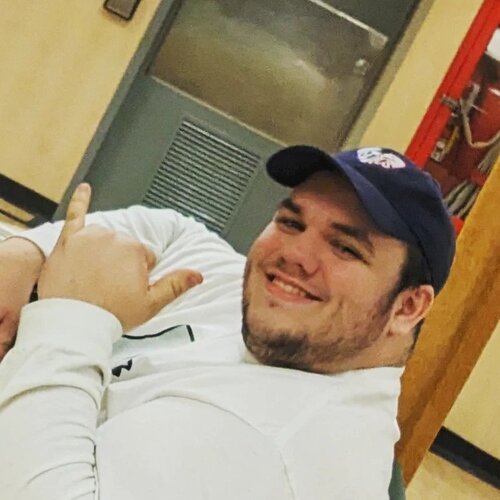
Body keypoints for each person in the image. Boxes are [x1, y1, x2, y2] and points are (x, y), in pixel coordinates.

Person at [0, 146, 455, 499]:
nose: (294, 254)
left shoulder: (277, 447)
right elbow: (172, 231)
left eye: (346, 248)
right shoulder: (278, 317)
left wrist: (71, 318)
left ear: (408, 307)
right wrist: (26, 254)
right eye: (291, 223)